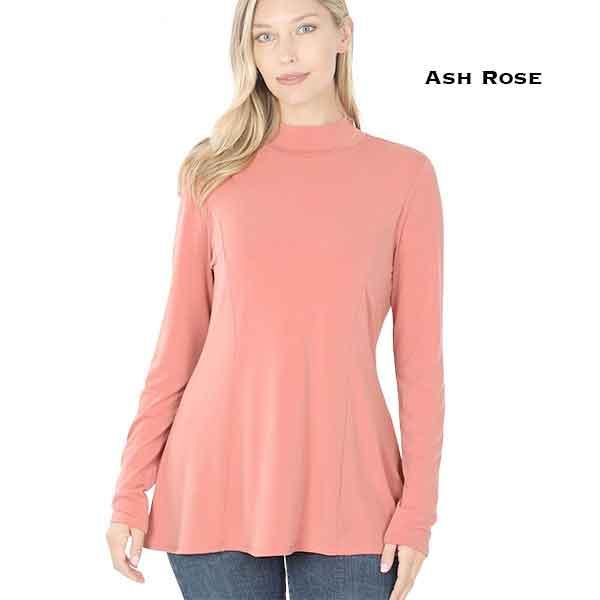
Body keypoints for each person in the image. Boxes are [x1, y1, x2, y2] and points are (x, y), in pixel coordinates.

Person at [105, 0, 445, 598]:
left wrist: (417, 510)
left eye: (305, 29)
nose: (285, 53)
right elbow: (180, 341)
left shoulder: (404, 175)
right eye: (264, 37)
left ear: (344, 35)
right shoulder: (214, 171)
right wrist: (131, 489)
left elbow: (419, 365)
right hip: (214, 480)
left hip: (351, 487)